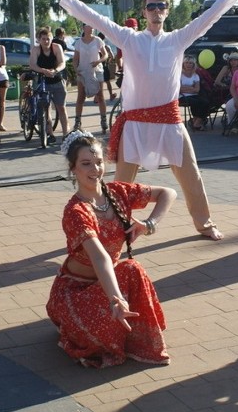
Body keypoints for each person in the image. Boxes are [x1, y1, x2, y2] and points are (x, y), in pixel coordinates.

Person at [42, 0, 238, 240]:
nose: (156, 10)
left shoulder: (178, 39)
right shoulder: (130, 39)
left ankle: (205, 224)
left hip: (168, 120)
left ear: (166, 11)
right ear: (144, 12)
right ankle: (113, 227)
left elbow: (208, 18)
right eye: (151, 6)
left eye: (161, 6)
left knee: (191, 177)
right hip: (137, 124)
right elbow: (95, 18)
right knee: (121, 184)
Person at [46, 131, 176, 368]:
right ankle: (101, 317)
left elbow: (169, 193)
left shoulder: (118, 192)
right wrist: (116, 300)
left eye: (99, 162)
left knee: (132, 268)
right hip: (76, 291)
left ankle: (131, 328)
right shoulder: (76, 211)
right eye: (86, 164)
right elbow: (100, 257)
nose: (95, 169)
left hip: (108, 283)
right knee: (100, 338)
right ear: (73, 168)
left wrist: (148, 225)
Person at [28, 26, 70, 142]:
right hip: (43, 80)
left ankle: (66, 133)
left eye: (48, 39)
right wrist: (43, 71)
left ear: (51, 39)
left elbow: (62, 63)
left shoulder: (57, 47)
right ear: (39, 40)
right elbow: (32, 64)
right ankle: (49, 133)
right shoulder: (36, 50)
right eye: (43, 39)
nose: (46, 41)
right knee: (45, 108)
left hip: (56, 79)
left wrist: (55, 70)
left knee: (61, 107)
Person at [72, 24, 108, 134]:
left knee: (100, 96)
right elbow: (75, 58)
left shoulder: (97, 40)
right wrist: (75, 69)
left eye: (92, 26)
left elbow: (105, 54)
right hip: (83, 71)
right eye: (88, 26)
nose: (91, 28)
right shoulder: (79, 42)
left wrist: (99, 61)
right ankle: (77, 121)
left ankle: (103, 120)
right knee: (81, 97)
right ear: (83, 28)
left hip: (96, 70)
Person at [178, 54, 210, 131]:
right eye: (186, 63)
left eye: (190, 63)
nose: (188, 65)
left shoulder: (196, 76)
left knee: (205, 102)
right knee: (195, 102)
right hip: (182, 97)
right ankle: (196, 122)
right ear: (183, 64)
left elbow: (197, 90)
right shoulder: (179, 75)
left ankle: (196, 121)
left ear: (193, 65)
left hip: (194, 95)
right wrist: (191, 87)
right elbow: (179, 89)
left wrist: (186, 88)